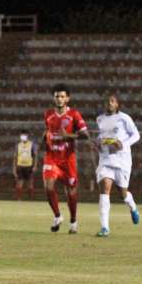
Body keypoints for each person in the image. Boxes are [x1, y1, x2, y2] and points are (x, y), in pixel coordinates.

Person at [43, 84, 95, 233]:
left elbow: (86, 135)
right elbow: (49, 130)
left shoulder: (74, 114)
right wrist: (45, 137)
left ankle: (73, 221)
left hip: (68, 160)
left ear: (68, 98)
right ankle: (57, 216)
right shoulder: (47, 114)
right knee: (48, 186)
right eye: (57, 96)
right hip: (51, 156)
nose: (59, 99)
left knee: (71, 192)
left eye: (62, 96)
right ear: (53, 98)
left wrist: (69, 136)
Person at [94, 93, 141, 237]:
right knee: (105, 188)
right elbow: (101, 136)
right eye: (107, 101)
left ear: (117, 104)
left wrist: (123, 144)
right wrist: (97, 143)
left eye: (112, 101)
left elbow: (136, 135)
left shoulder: (124, 118)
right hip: (106, 159)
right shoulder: (100, 119)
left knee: (123, 193)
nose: (109, 103)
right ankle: (105, 227)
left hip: (122, 160)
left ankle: (132, 206)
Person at [13, 132, 38, 200]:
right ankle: (19, 198)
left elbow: (35, 155)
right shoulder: (18, 145)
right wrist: (14, 168)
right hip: (20, 166)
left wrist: (35, 166)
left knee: (30, 183)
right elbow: (15, 157)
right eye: (21, 135)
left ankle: (31, 199)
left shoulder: (31, 144)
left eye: (24, 135)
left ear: (27, 136)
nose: (23, 137)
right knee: (20, 183)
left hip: (29, 166)